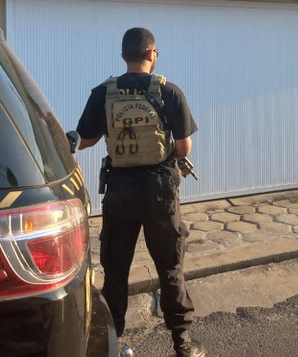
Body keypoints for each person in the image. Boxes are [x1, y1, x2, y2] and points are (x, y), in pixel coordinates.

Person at [69, 27, 206, 357]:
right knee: (170, 268)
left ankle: (110, 345)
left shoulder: (103, 93)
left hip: (120, 193)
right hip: (160, 193)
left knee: (116, 271)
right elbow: (183, 148)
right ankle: (183, 346)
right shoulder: (169, 92)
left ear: (123, 56)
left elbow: (86, 139)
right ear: (151, 54)